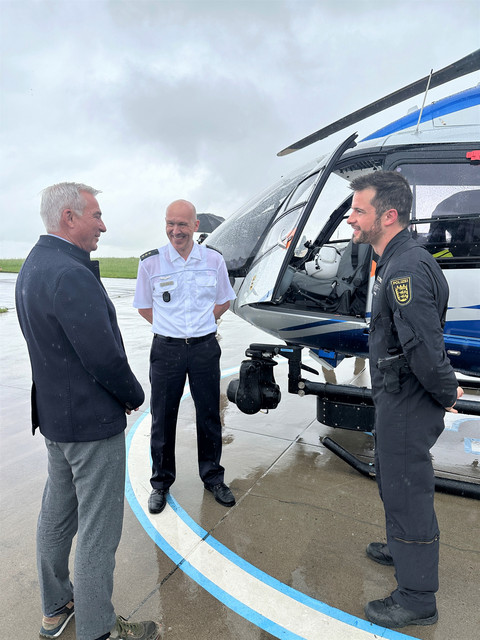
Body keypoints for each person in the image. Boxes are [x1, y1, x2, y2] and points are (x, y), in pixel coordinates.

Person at [15, 183, 161, 640]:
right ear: (69, 218)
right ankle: (99, 630)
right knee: (99, 533)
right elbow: (102, 356)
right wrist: (135, 394)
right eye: (96, 215)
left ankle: (55, 609)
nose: (103, 224)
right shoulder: (70, 274)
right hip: (90, 426)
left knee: (56, 518)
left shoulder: (33, 266)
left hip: (57, 423)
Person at [347, 171, 463, 629]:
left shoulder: (407, 268)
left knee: (407, 491)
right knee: (393, 483)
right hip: (397, 394)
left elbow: (425, 348)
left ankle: (417, 598)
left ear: (388, 215)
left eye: (359, 209)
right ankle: (400, 549)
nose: (351, 217)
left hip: (409, 400)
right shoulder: (393, 258)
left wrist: (444, 392)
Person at [133, 199, 236, 515]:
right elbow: (143, 306)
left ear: (196, 226)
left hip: (204, 347)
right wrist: (171, 328)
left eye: (182, 224)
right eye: (170, 223)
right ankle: (161, 484)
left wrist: (203, 323)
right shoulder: (151, 263)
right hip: (167, 350)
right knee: (163, 418)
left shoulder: (213, 261)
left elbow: (224, 301)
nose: (175, 231)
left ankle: (213, 478)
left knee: (209, 414)